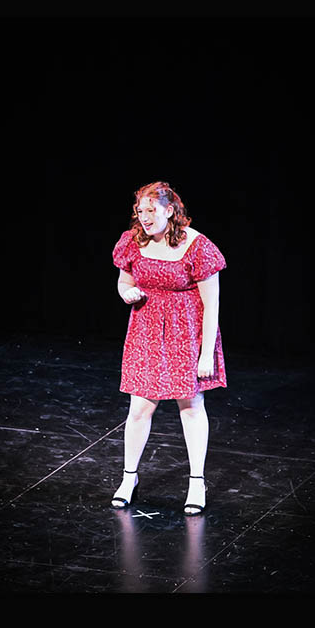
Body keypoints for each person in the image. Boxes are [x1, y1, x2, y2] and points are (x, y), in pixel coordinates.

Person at [109, 181, 227, 516]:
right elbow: (124, 281)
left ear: (170, 210)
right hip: (146, 331)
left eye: (151, 210)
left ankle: (196, 483)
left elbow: (212, 305)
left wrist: (206, 353)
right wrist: (125, 293)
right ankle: (129, 478)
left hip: (185, 333)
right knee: (140, 409)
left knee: (190, 406)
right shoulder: (133, 242)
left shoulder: (198, 246)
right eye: (140, 211)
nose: (144, 217)